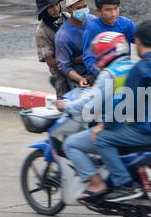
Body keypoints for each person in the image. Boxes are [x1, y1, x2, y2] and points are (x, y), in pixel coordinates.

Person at [94, 20, 151, 202]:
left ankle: (124, 185)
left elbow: (124, 104)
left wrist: (104, 124)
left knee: (103, 139)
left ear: (137, 41)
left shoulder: (141, 68)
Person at [55, 32, 136, 200]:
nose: (97, 56)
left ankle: (97, 183)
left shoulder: (110, 74)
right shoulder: (133, 66)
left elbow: (90, 104)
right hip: (136, 125)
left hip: (117, 127)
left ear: (107, 52)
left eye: (98, 52)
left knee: (71, 144)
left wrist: (67, 106)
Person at [55, 0, 96, 90]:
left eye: (84, 6)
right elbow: (64, 66)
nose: (83, 10)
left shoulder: (94, 20)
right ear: (69, 9)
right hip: (83, 79)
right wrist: (80, 79)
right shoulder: (63, 36)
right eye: (79, 8)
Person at [35, 0, 70, 99]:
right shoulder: (42, 32)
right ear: (44, 11)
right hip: (61, 73)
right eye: (51, 7)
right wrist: (75, 59)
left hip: (78, 67)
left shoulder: (67, 17)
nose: (56, 9)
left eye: (57, 5)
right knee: (65, 103)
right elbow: (51, 62)